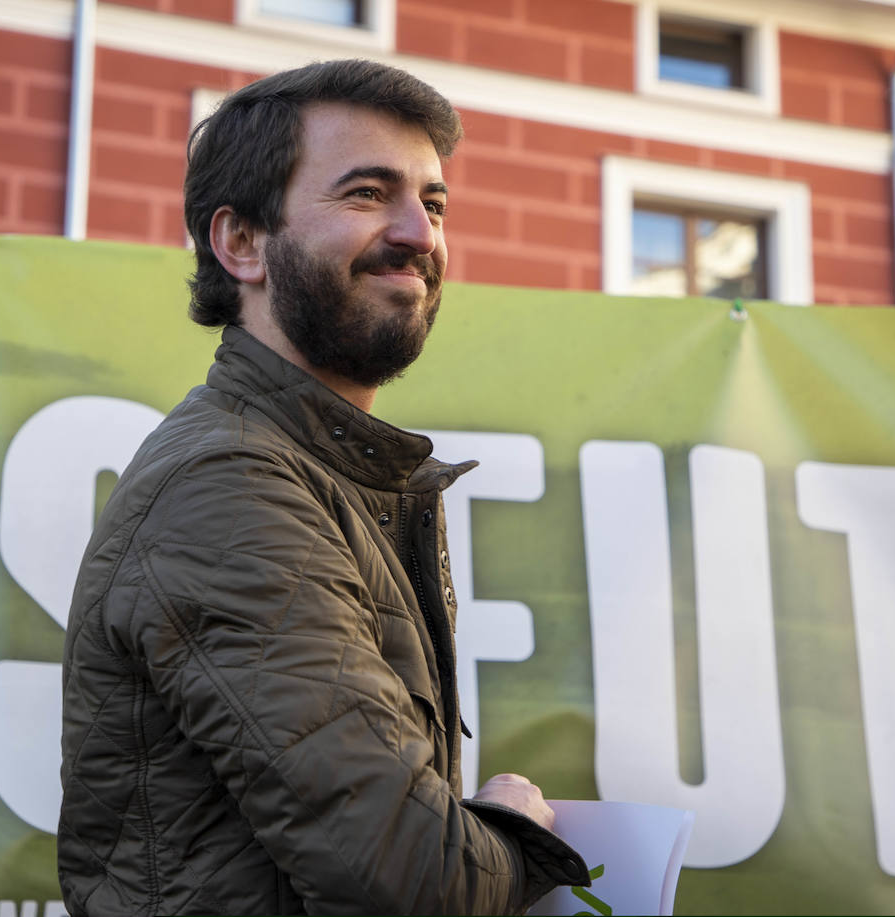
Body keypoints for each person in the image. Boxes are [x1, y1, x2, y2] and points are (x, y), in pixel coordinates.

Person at [58, 58, 588, 916]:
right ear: (241, 243)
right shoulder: (228, 486)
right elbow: (415, 878)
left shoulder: (316, 472)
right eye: (368, 193)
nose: (420, 232)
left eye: (434, 201)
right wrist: (512, 826)